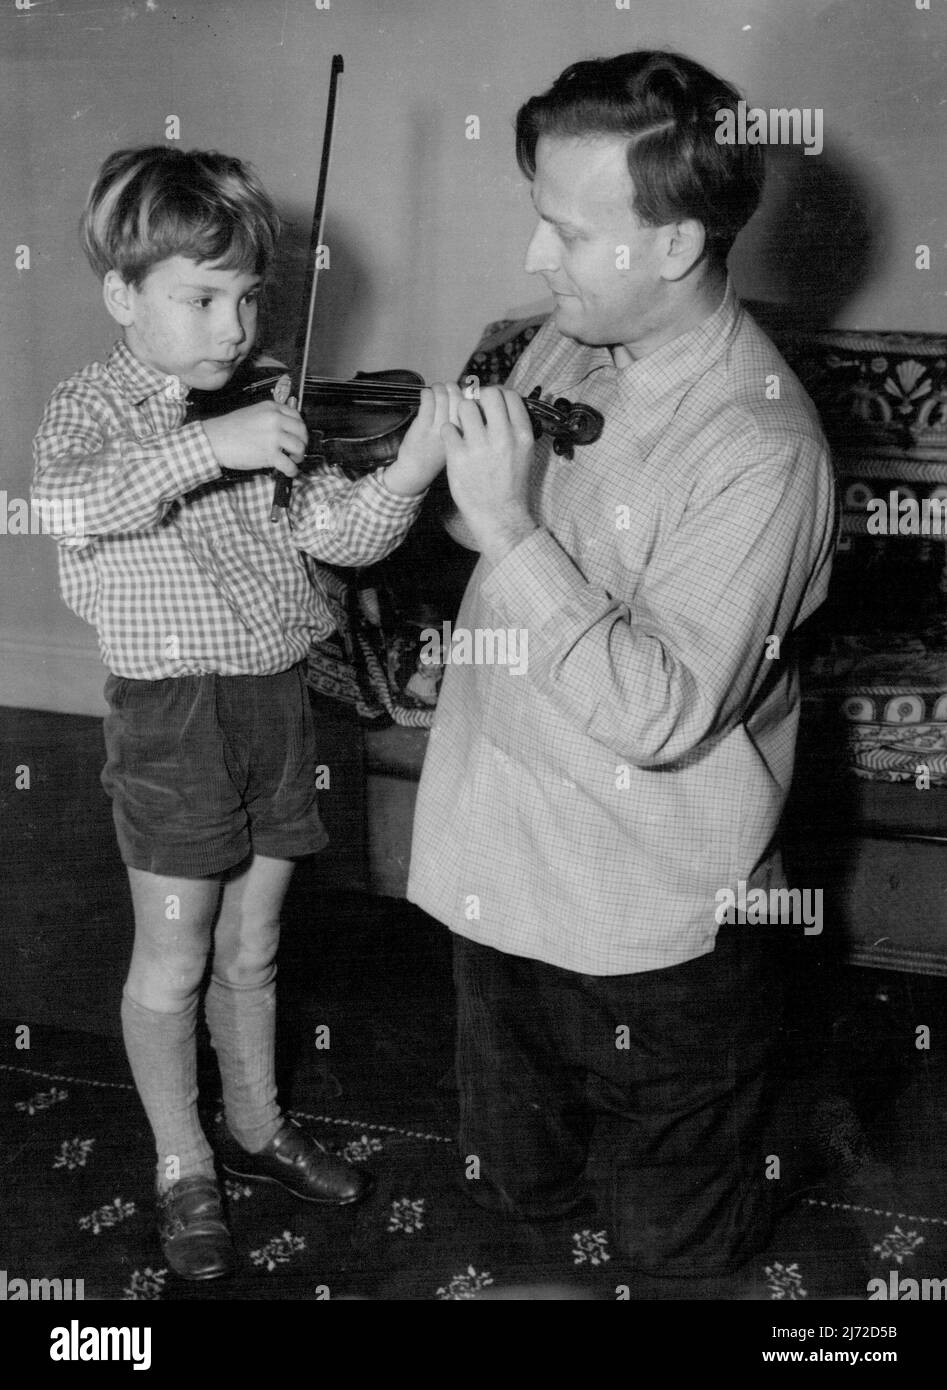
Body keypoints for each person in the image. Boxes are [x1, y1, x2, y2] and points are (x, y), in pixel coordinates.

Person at [408, 51, 838, 1289]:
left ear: (675, 242)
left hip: (654, 921)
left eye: (563, 230)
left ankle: (768, 1132)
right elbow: (484, 553)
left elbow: (657, 713)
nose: (535, 261)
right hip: (497, 871)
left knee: (670, 1249)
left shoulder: (763, 447)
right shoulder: (563, 340)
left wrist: (509, 527)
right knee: (514, 1189)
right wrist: (432, 484)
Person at [32, 145, 456, 1281]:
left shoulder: (262, 398)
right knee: (171, 964)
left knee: (253, 943)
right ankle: (182, 1163)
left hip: (279, 705)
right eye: (200, 297)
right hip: (172, 718)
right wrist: (202, 442)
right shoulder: (91, 410)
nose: (233, 325)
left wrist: (409, 472)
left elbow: (342, 537)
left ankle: (257, 1126)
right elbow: (62, 503)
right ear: (124, 296)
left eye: (247, 296)